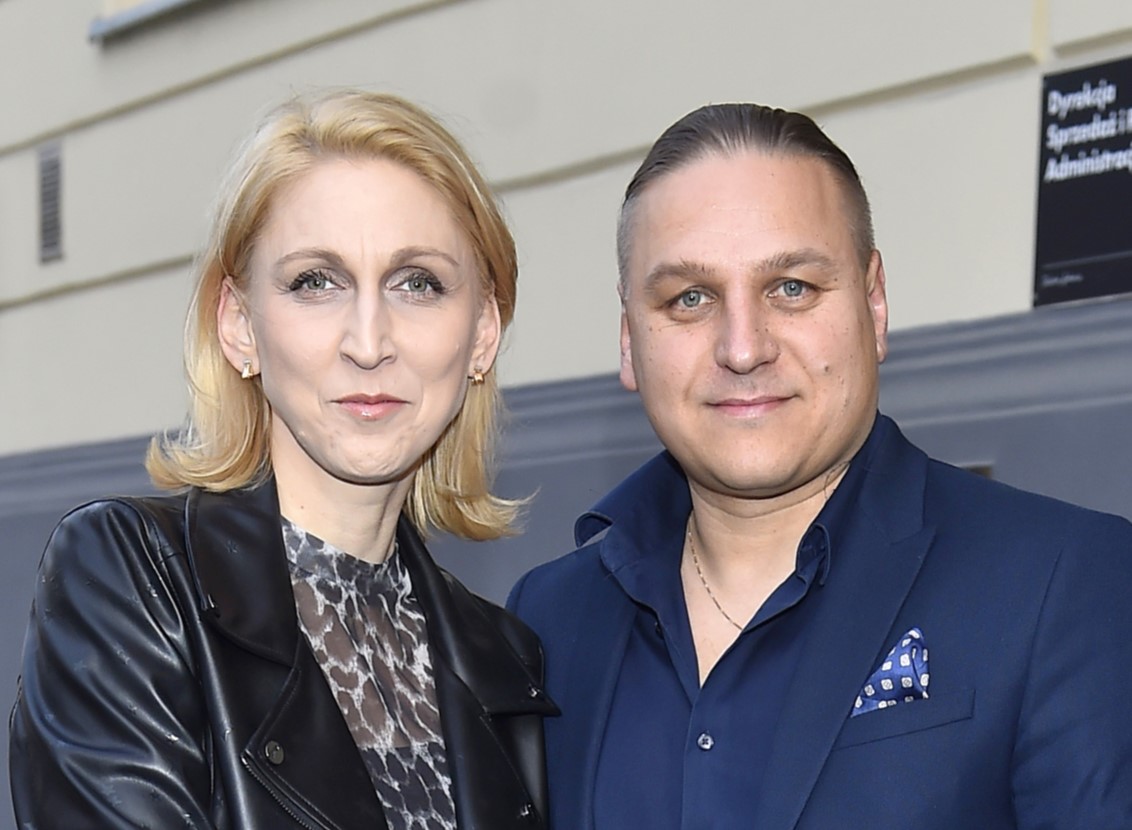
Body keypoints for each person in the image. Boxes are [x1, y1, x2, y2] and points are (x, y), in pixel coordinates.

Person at [508, 102, 1132, 829]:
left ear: (875, 303)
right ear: (628, 340)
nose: (743, 348)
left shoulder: (1061, 580)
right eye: (690, 298)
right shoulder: (548, 618)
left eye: (791, 288)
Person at [10, 88, 557, 830]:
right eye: (315, 283)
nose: (369, 342)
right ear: (239, 325)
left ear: (482, 334)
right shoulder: (131, 582)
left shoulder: (506, 658)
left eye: (417, 283)